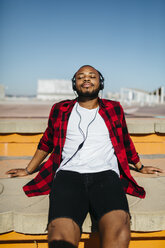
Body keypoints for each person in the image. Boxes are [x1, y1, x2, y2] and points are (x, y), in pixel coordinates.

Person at [7, 65, 164, 248]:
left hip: (106, 175)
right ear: (75, 84)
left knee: (119, 230)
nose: (86, 79)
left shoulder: (114, 108)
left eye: (92, 76)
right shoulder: (60, 109)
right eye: (81, 77)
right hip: (67, 176)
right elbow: (47, 142)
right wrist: (28, 169)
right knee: (59, 235)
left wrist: (139, 166)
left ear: (100, 82)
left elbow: (125, 141)